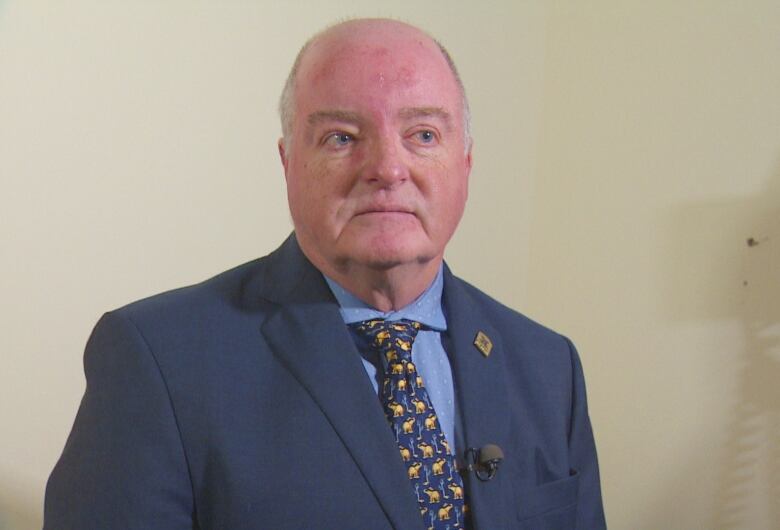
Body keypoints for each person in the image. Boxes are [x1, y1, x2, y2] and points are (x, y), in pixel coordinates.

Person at [44, 18, 606, 530]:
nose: (387, 167)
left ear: (466, 162)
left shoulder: (550, 367)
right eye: (342, 137)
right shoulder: (156, 361)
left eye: (424, 135)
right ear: (288, 163)